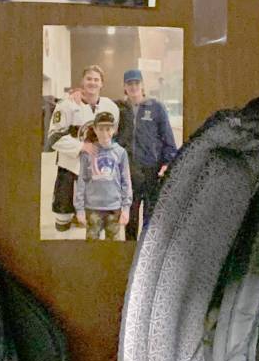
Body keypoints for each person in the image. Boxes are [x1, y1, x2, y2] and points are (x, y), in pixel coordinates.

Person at [46, 65, 120, 232]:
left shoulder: (111, 107)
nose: (92, 82)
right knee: (63, 223)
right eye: (89, 79)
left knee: (92, 221)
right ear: (82, 81)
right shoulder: (67, 104)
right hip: (70, 168)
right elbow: (53, 137)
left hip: (96, 170)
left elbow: (114, 134)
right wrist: (81, 146)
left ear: (102, 83)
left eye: (96, 79)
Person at [118, 69, 178, 241]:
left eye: (136, 83)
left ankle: (145, 250)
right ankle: (130, 248)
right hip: (129, 171)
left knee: (150, 216)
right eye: (129, 83)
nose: (133, 87)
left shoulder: (156, 107)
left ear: (142, 85)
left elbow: (168, 138)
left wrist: (167, 162)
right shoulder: (119, 109)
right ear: (124, 87)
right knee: (130, 215)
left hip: (152, 170)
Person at [74, 112, 132, 241]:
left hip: (114, 209)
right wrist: (80, 210)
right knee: (92, 246)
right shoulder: (87, 153)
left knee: (113, 247)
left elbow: (126, 182)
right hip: (92, 208)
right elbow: (81, 181)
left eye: (108, 129)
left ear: (114, 129)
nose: (104, 133)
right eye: (100, 129)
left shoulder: (120, 152)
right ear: (94, 129)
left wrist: (126, 209)